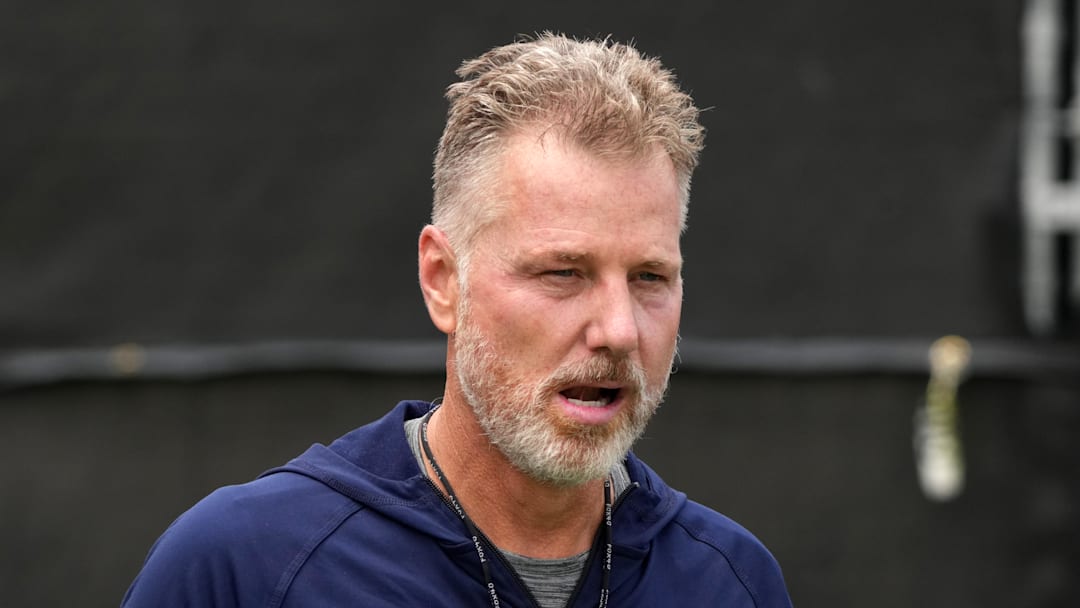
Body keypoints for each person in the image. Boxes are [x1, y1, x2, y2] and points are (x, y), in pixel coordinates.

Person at [122, 33, 793, 608]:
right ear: (443, 280)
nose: (618, 330)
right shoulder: (249, 570)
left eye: (649, 278)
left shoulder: (730, 583)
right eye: (563, 273)